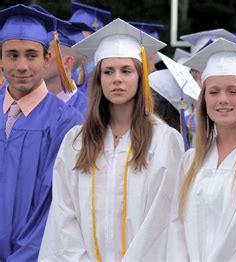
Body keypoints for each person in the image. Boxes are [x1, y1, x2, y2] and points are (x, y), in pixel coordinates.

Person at [38, 19, 184, 261]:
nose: (117, 79)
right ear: (99, 79)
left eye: (126, 70)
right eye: (108, 71)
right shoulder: (76, 142)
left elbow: (163, 219)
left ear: (140, 78)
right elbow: (64, 219)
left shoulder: (164, 141)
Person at [166, 38, 236, 261]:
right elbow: (176, 230)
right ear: (204, 99)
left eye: (233, 91)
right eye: (214, 92)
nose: (223, 100)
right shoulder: (191, 161)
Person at [0, 4, 84, 260]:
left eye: (32, 55)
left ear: (48, 59)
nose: (22, 65)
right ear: (0, 58)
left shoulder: (66, 122)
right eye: (12, 55)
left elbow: (53, 205)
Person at [43, 22, 89, 117]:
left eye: (46, 55)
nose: (36, 60)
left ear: (67, 62)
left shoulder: (88, 112)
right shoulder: (24, 102)